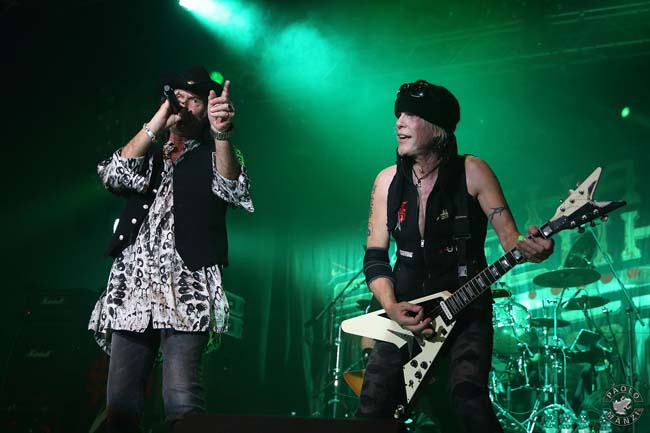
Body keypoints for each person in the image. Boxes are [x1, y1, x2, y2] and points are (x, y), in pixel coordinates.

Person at [356, 80, 554, 432]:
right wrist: (391, 306)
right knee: (372, 410)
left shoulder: (473, 171)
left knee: (467, 401)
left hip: (466, 311)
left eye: (411, 115)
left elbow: (512, 240)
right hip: (402, 315)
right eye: (398, 114)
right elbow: (375, 257)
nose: (399, 122)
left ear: (439, 128)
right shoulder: (387, 181)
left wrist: (533, 249)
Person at [88, 65, 253, 432]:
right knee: (120, 406)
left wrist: (222, 134)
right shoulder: (148, 153)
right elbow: (112, 175)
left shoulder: (216, 153)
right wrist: (159, 118)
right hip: (132, 287)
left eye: (195, 101)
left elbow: (234, 190)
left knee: (182, 401)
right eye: (179, 98)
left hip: (186, 289)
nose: (185, 107)